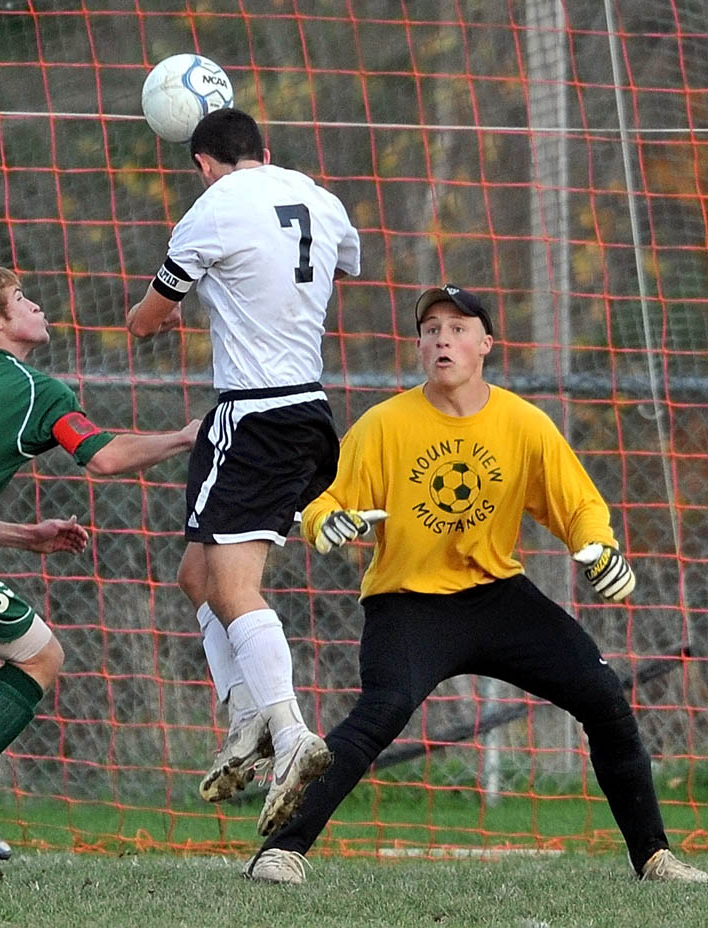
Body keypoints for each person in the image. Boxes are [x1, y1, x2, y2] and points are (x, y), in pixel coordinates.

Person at [243, 284, 708, 885]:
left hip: (497, 597)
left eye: (459, 328)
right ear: (418, 345)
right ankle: (283, 852)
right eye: (431, 328)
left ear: (485, 344)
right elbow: (324, 503)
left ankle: (654, 859)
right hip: (407, 601)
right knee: (379, 714)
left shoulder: (522, 422)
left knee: (604, 698)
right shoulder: (384, 425)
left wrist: (600, 550)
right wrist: (324, 522)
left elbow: (579, 507)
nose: (443, 338)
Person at [0, 264, 200, 867]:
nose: (36, 306)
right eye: (22, 299)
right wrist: (183, 436)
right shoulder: (34, 390)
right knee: (41, 653)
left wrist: (25, 536)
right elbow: (106, 458)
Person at [127, 108, 360, 836]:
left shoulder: (211, 208)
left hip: (254, 415)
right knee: (197, 578)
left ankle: (290, 734)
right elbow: (345, 260)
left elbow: (148, 317)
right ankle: (249, 720)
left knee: (232, 586)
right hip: (310, 414)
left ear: (201, 163)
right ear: (266, 149)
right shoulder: (318, 195)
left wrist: (153, 320)